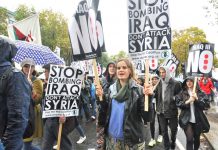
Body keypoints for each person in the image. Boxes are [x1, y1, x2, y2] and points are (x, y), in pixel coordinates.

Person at [96, 58, 151, 149]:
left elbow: (147, 117)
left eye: (124, 67)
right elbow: (105, 112)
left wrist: (148, 98)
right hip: (112, 139)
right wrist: (101, 99)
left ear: (130, 70)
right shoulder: (111, 89)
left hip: (131, 141)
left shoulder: (139, 90)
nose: (121, 70)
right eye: (118, 68)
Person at [0, 36, 31, 149]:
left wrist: (9, 145)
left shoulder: (14, 76)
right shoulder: (15, 76)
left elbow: (18, 116)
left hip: (5, 141)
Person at [41, 64, 77, 150]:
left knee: (66, 147)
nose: (44, 73)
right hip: (48, 120)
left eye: (46, 71)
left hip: (59, 122)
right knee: (45, 147)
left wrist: (65, 115)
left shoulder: (64, 85)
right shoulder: (46, 85)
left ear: (52, 73)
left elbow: (72, 103)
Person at [176, 76, 210, 150]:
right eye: (187, 81)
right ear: (185, 82)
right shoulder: (182, 92)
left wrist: (197, 99)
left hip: (198, 120)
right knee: (190, 139)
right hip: (187, 120)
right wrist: (188, 101)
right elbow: (178, 104)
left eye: (191, 81)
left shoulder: (201, 93)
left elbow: (206, 105)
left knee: (196, 139)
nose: (189, 83)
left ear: (194, 82)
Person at [153, 66, 182, 150]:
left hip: (171, 111)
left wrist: (175, 98)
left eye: (163, 72)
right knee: (164, 131)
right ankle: (166, 146)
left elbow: (179, 95)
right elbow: (156, 95)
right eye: (160, 73)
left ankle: (173, 142)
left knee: (173, 130)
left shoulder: (176, 83)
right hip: (160, 111)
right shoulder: (159, 83)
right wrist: (151, 93)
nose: (162, 74)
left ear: (167, 72)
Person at [21, 58, 43, 150]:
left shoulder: (36, 81)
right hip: (20, 113)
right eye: (25, 66)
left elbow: (37, 99)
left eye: (30, 66)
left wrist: (30, 87)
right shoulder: (18, 78)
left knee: (26, 144)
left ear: (33, 68)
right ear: (22, 67)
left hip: (31, 113)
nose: (28, 68)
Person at [96, 62, 116, 149]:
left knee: (111, 138)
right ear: (107, 68)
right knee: (100, 139)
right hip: (102, 112)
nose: (111, 68)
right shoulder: (102, 80)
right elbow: (98, 99)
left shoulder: (118, 81)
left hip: (113, 112)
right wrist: (98, 95)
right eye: (110, 66)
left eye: (113, 67)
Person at [148, 74, 162, 147]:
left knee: (160, 121)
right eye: (153, 79)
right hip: (151, 106)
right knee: (152, 122)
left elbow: (157, 95)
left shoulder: (161, 87)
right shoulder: (149, 87)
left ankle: (160, 134)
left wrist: (153, 92)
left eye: (156, 79)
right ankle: (152, 138)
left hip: (159, 105)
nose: (154, 80)